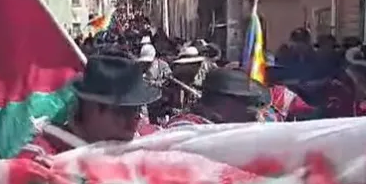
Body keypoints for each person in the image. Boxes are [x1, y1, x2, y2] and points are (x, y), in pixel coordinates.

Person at [17, 56, 161, 162]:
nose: (134, 121)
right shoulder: (45, 155)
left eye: (137, 110)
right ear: (90, 108)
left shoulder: (150, 139)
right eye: (122, 112)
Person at [166, 68, 267, 127]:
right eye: (245, 102)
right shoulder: (184, 127)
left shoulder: (225, 127)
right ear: (226, 102)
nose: (248, 109)